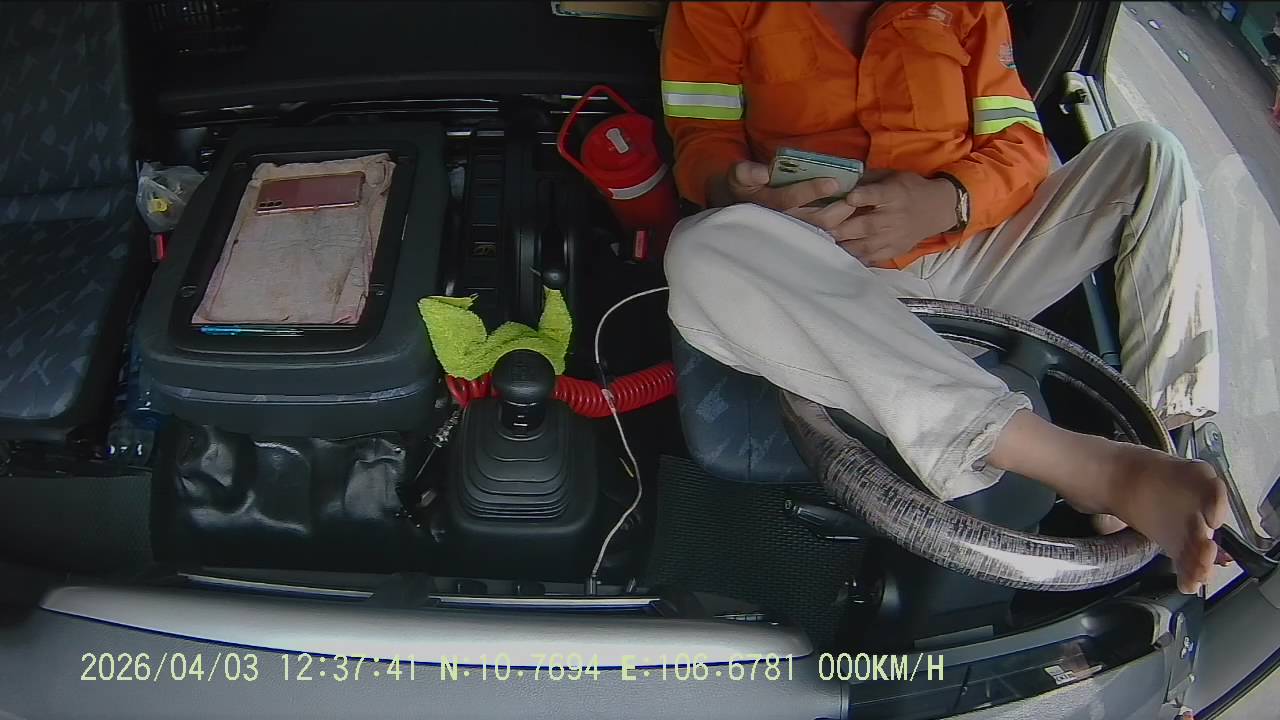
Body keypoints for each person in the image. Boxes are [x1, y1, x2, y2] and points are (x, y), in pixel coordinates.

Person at [660, 1, 1228, 594]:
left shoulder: (970, 7)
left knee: (1148, 152)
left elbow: (1020, 144)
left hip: (979, 254)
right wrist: (735, 187)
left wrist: (950, 201)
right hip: (830, 276)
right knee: (702, 246)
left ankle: (1166, 442)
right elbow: (700, 142)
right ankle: (1075, 464)